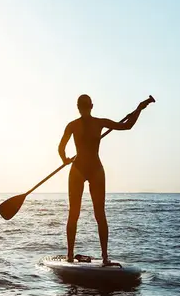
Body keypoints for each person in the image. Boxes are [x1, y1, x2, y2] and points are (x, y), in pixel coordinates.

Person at [58, 94, 154, 264]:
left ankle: (70, 255)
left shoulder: (73, 125)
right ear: (91, 106)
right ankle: (104, 258)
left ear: (78, 107)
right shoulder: (99, 122)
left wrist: (64, 159)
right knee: (99, 215)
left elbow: (61, 148)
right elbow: (128, 126)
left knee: (74, 214)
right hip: (94, 169)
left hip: (79, 168)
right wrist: (139, 108)